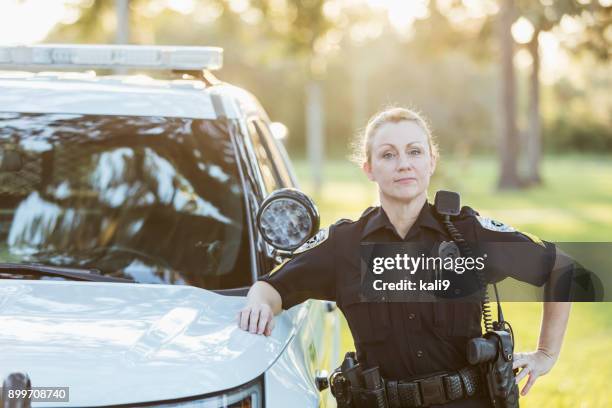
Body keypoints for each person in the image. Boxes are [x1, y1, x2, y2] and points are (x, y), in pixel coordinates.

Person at [237, 107, 571, 407]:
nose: (404, 164)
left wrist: (546, 354)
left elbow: (562, 268)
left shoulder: (470, 234)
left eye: (414, 151)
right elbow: (272, 287)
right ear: (369, 168)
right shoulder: (344, 245)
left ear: (431, 161)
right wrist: (259, 303)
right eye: (388, 155)